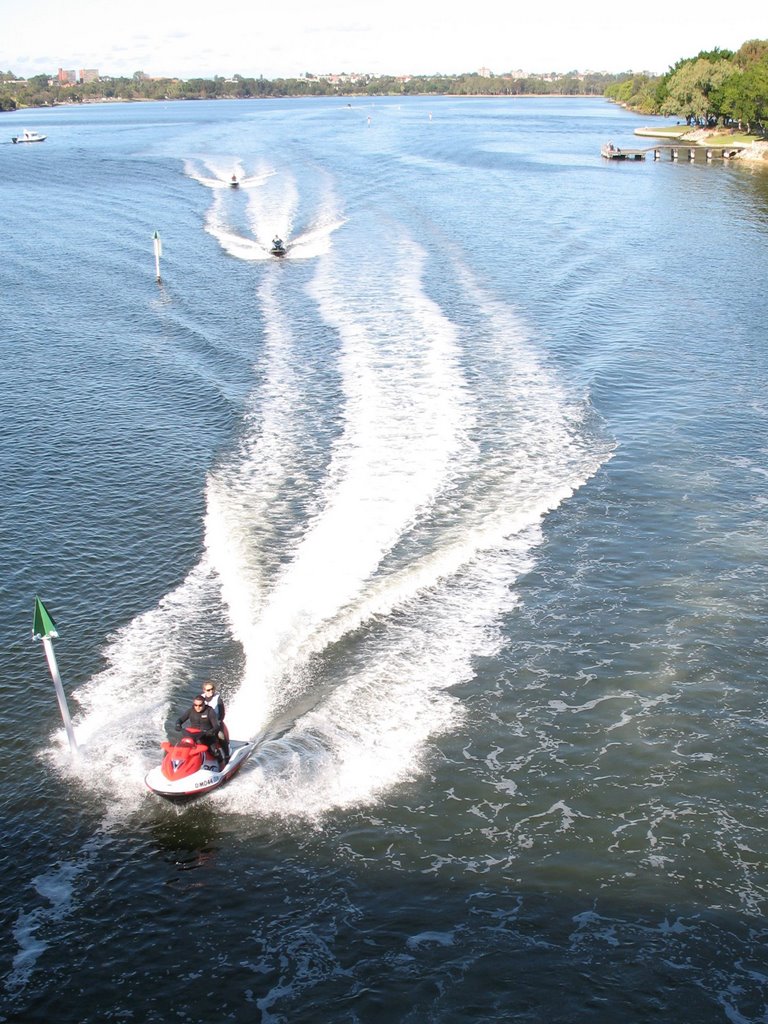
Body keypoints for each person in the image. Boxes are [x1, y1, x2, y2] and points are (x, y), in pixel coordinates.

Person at [202, 681, 230, 762]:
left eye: (212, 689)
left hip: (216, 723)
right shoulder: (200, 698)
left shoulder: (218, 699)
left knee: (221, 736)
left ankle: (226, 755)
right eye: (208, 690)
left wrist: (218, 722)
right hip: (204, 723)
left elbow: (222, 714)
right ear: (204, 690)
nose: (211, 691)